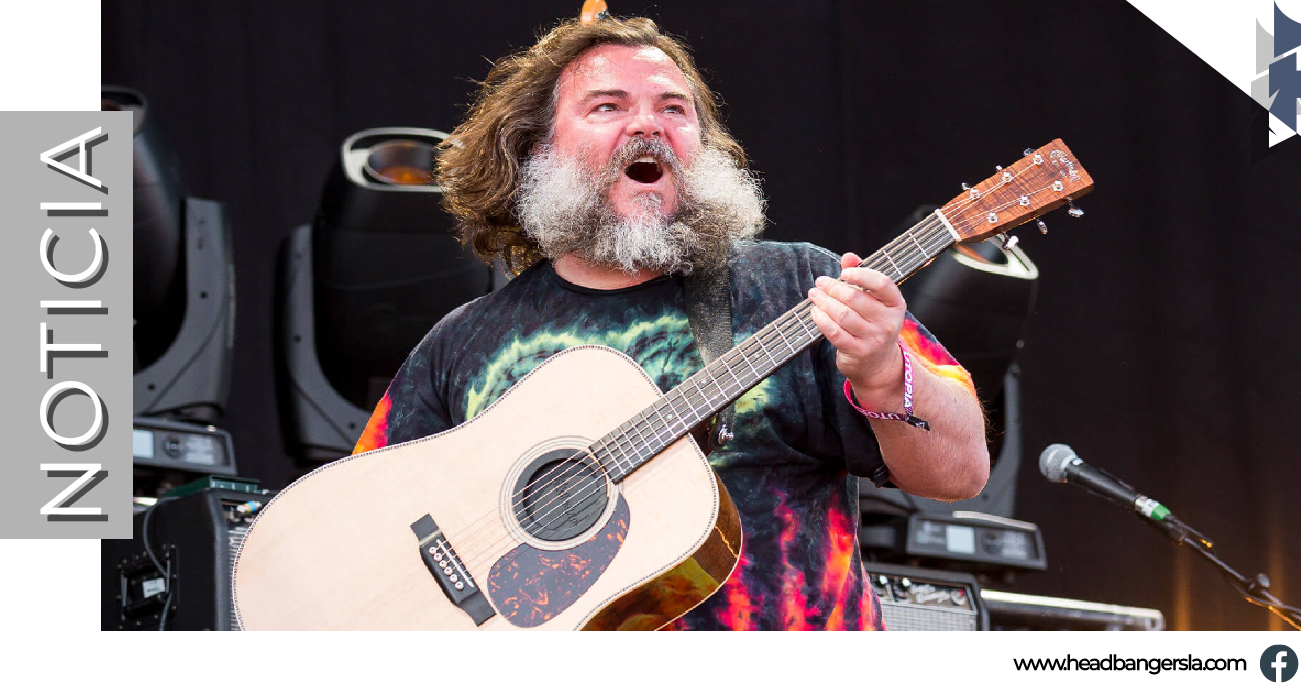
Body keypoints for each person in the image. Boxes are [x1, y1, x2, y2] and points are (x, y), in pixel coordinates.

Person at [352, 15, 989, 630]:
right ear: (536, 149)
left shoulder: (801, 286)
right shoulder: (466, 342)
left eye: (673, 108)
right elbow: (356, 523)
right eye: (607, 107)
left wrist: (884, 374)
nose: (647, 127)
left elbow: (962, 472)